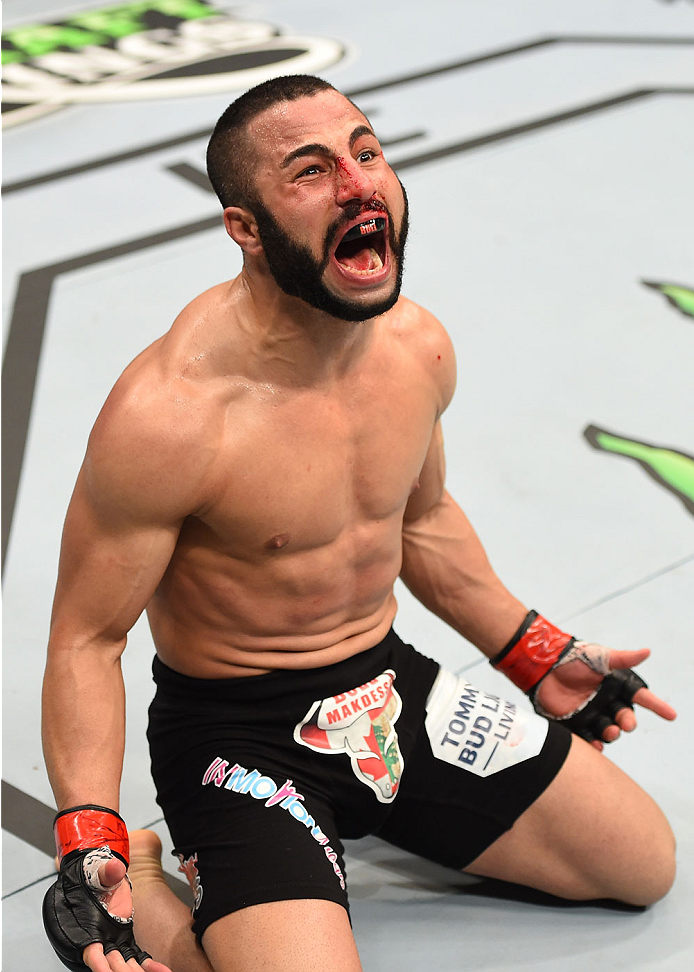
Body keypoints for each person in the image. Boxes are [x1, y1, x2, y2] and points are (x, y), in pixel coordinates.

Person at [41, 75, 677, 972]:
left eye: (367, 152)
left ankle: (334, 840)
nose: (357, 184)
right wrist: (88, 834)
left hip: (389, 689)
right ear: (246, 231)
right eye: (310, 172)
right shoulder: (171, 416)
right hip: (240, 736)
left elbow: (421, 520)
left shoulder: (416, 348)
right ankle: (150, 880)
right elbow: (86, 639)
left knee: (641, 861)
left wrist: (529, 648)